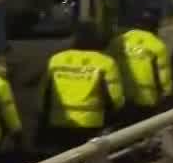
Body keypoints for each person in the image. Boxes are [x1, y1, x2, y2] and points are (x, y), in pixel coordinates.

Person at [39, 21, 124, 153]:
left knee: (61, 161)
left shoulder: (56, 59)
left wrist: (43, 117)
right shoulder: (105, 62)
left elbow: (43, 94)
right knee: (87, 160)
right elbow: (116, 99)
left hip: (58, 122)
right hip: (91, 123)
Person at [107, 5, 173, 126]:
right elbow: (165, 79)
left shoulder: (118, 41)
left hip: (122, 99)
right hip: (146, 101)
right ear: (154, 26)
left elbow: (107, 66)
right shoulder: (157, 45)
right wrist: (168, 97)